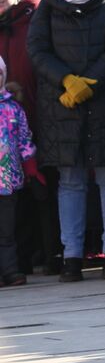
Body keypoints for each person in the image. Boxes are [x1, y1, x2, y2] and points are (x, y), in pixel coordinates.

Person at [28, 0, 105, 282]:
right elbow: (37, 49)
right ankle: (71, 256)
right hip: (62, 104)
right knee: (70, 181)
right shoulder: (48, 6)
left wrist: (91, 82)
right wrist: (66, 80)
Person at [0, 55, 37, 287]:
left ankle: (10, 269)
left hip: (8, 179)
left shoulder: (13, 108)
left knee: (7, 229)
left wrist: (30, 165)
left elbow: (24, 138)